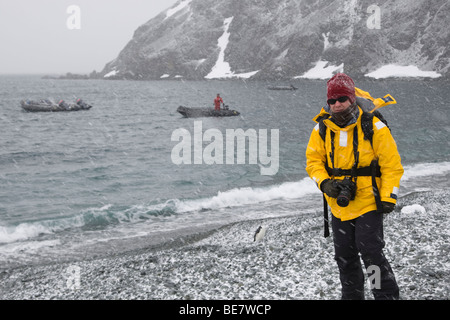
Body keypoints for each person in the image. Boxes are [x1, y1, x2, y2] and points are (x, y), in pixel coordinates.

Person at [305, 73, 404, 300]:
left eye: (341, 98)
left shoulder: (374, 127)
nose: (337, 104)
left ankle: (385, 296)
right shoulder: (321, 129)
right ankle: (351, 296)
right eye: (332, 100)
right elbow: (313, 163)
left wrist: (389, 196)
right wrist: (325, 183)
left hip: (369, 200)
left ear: (351, 98)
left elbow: (392, 166)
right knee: (344, 257)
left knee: (371, 254)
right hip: (339, 204)